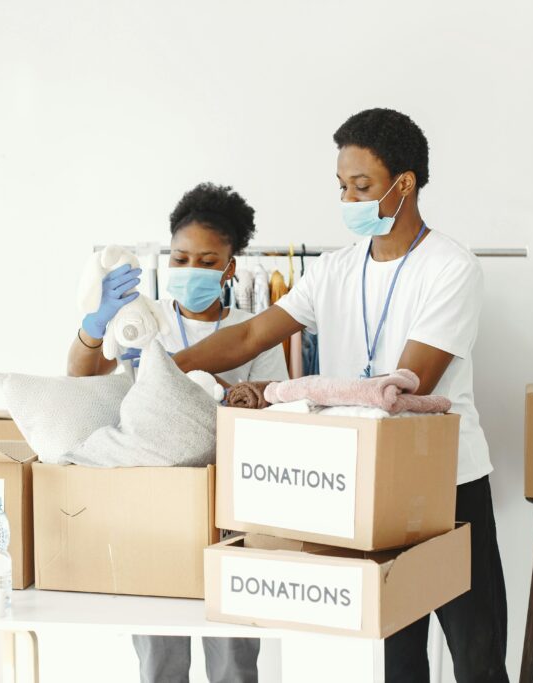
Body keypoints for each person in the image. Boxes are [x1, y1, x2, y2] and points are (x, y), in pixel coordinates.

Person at [172, 108, 509, 683]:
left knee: (476, 657)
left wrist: (282, 391)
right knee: (398, 658)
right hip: (371, 483)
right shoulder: (334, 269)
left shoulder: (451, 268)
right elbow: (252, 333)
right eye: (342, 187)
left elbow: (408, 385)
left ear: (404, 185)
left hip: (447, 481)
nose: (349, 200)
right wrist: (165, 366)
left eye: (362, 187)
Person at [67, 181, 287, 683]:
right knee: (159, 656)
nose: (191, 271)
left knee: (233, 656)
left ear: (230, 268)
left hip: (229, 509)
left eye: (208, 262)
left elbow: (276, 412)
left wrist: (224, 389)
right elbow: (81, 377)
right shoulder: (143, 320)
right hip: (152, 502)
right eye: (182, 258)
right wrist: (95, 324)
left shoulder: (257, 330)